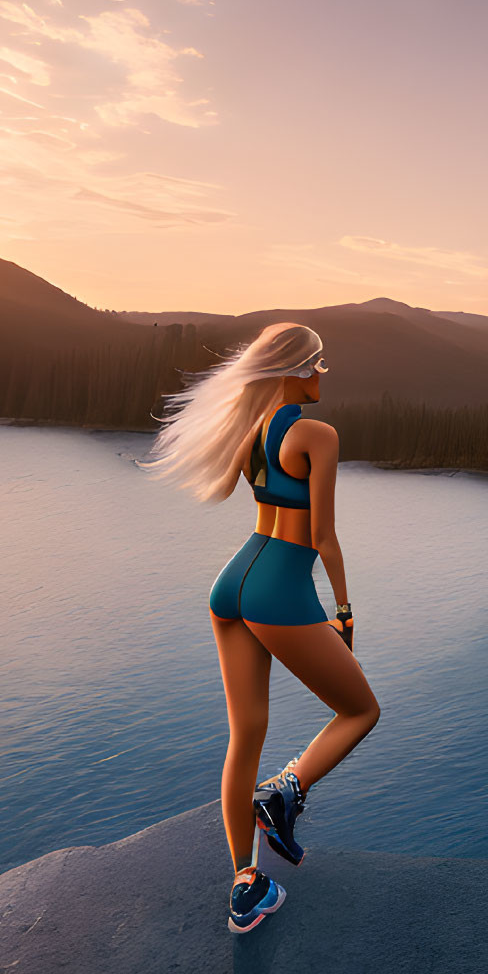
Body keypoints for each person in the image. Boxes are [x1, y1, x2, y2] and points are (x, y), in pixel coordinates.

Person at [140, 322, 381, 933]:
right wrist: (345, 609)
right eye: (319, 364)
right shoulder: (316, 434)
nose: (323, 374)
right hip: (279, 588)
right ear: (295, 370)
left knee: (244, 732)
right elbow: (323, 536)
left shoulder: (249, 433)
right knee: (359, 711)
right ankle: (285, 791)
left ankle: (245, 885)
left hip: (233, 581)